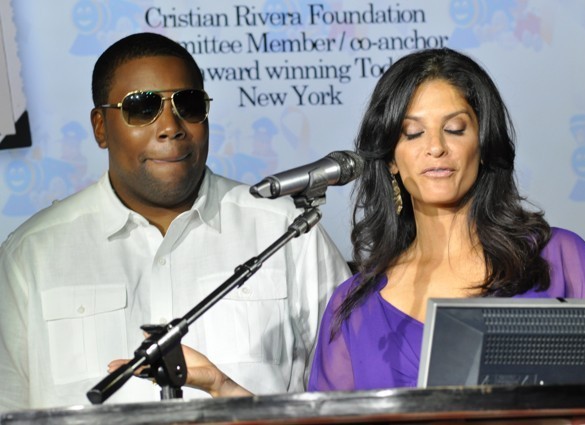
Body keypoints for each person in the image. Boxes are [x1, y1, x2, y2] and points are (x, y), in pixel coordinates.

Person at [0, 32, 352, 412]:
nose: (171, 126)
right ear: (101, 127)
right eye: (142, 107)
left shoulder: (287, 232)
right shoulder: (32, 255)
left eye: (189, 104)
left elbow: (349, 396)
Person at [306, 47, 585, 391]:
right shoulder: (354, 307)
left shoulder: (558, 258)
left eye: (455, 129)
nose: (435, 147)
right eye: (413, 133)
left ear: (484, 144)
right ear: (391, 160)